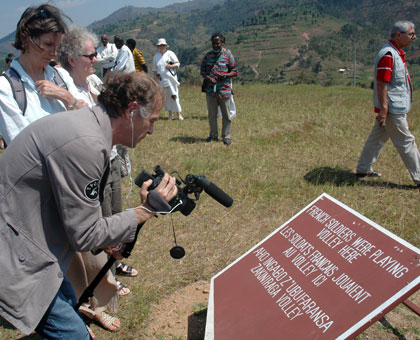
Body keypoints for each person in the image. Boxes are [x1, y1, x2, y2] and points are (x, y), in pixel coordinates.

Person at [0, 71, 177, 339]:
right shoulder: (87, 144)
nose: (151, 130)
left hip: (32, 247)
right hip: (18, 257)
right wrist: (146, 210)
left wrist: (110, 239)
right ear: (131, 111)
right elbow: (84, 234)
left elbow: (71, 211)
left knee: (73, 318)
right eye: (151, 121)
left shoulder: (86, 126)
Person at [57, 26, 123, 336]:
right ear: (71, 58)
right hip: (85, 172)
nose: (96, 59)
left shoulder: (93, 82)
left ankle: (110, 280)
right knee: (92, 240)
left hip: (108, 161)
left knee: (113, 223)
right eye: (90, 55)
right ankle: (93, 303)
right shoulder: (62, 87)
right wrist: (72, 100)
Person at [0, 3, 84, 146]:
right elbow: (22, 145)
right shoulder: (6, 88)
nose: (54, 53)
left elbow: (89, 119)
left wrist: (66, 96)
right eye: (47, 44)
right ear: (26, 39)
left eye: (57, 46)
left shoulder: (61, 76)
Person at [356, 21, 420, 189]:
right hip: (392, 109)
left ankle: (363, 169)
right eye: (411, 34)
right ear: (398, 35)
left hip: (392, 107)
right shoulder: (388, 55)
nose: (414, 37)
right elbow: (382, 83)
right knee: (407, 142)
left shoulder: (395, 53)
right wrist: (384, 109)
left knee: (376, 138)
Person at [200, 32, 238, 146]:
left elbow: (235, 71)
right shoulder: (208, 55)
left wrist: (225, 75)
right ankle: (213, 135)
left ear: (222, 42)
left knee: (226, 115)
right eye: (213, 43)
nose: (215, 45)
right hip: (211, 91)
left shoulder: (228, 55)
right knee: (212, 115)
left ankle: (226, 136)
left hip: (224, 90)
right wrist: (208, 78)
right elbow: (202, 71)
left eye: (217, 43)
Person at [152, 38, 183, 120]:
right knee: (166, 98)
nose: (161, 47)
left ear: (165, 46)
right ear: (158, 47)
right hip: (161, 80)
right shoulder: (156, 56)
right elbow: (154, 69)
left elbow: (177, 64)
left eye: (163, 45)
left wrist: (170, 66)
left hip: (171, 79)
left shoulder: (170, 53)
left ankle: (178, 113)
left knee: (174, 95)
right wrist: (156, 76)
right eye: (160, 45)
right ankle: (170, 114)